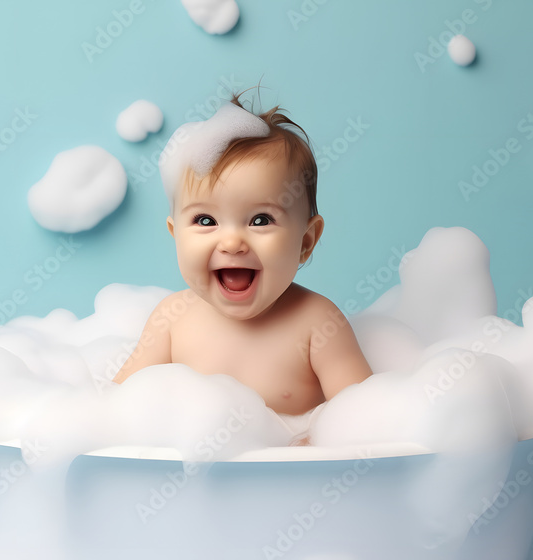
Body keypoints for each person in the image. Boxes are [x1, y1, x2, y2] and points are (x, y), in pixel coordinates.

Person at [113, 93, 372, 444]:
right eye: (206, 220)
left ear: (306, 242)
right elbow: (112, 412)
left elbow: (367, 420)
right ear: (176, 235)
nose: (232, 242)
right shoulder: (172, 319)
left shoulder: (319, 324)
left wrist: (314, 447)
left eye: (260, 219)